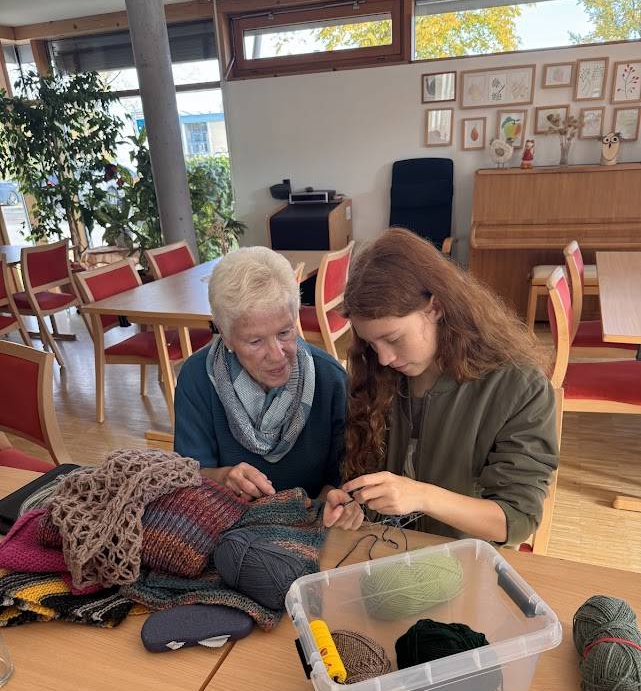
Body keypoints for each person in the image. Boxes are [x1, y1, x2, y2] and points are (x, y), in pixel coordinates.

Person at [324, 228, 559, 545]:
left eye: (394, 338)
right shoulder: (377, 373)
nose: (383, 358)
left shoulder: (519, 387)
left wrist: (421, 496)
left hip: (462, 556)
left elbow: (516, 519)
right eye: (371, 343)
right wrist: (353, 502)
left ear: (435, 308)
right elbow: (361, 473)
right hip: (384, 547)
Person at [174, 246, 362, 530]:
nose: (276, 355)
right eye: (255, 341)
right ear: (225, 335)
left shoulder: (331, 380)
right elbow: (187, 476)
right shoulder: (197, 378)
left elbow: (342, 480)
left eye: (285, 332)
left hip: (310, 530)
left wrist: (332, 504)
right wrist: (223, 477)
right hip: (229, 528)